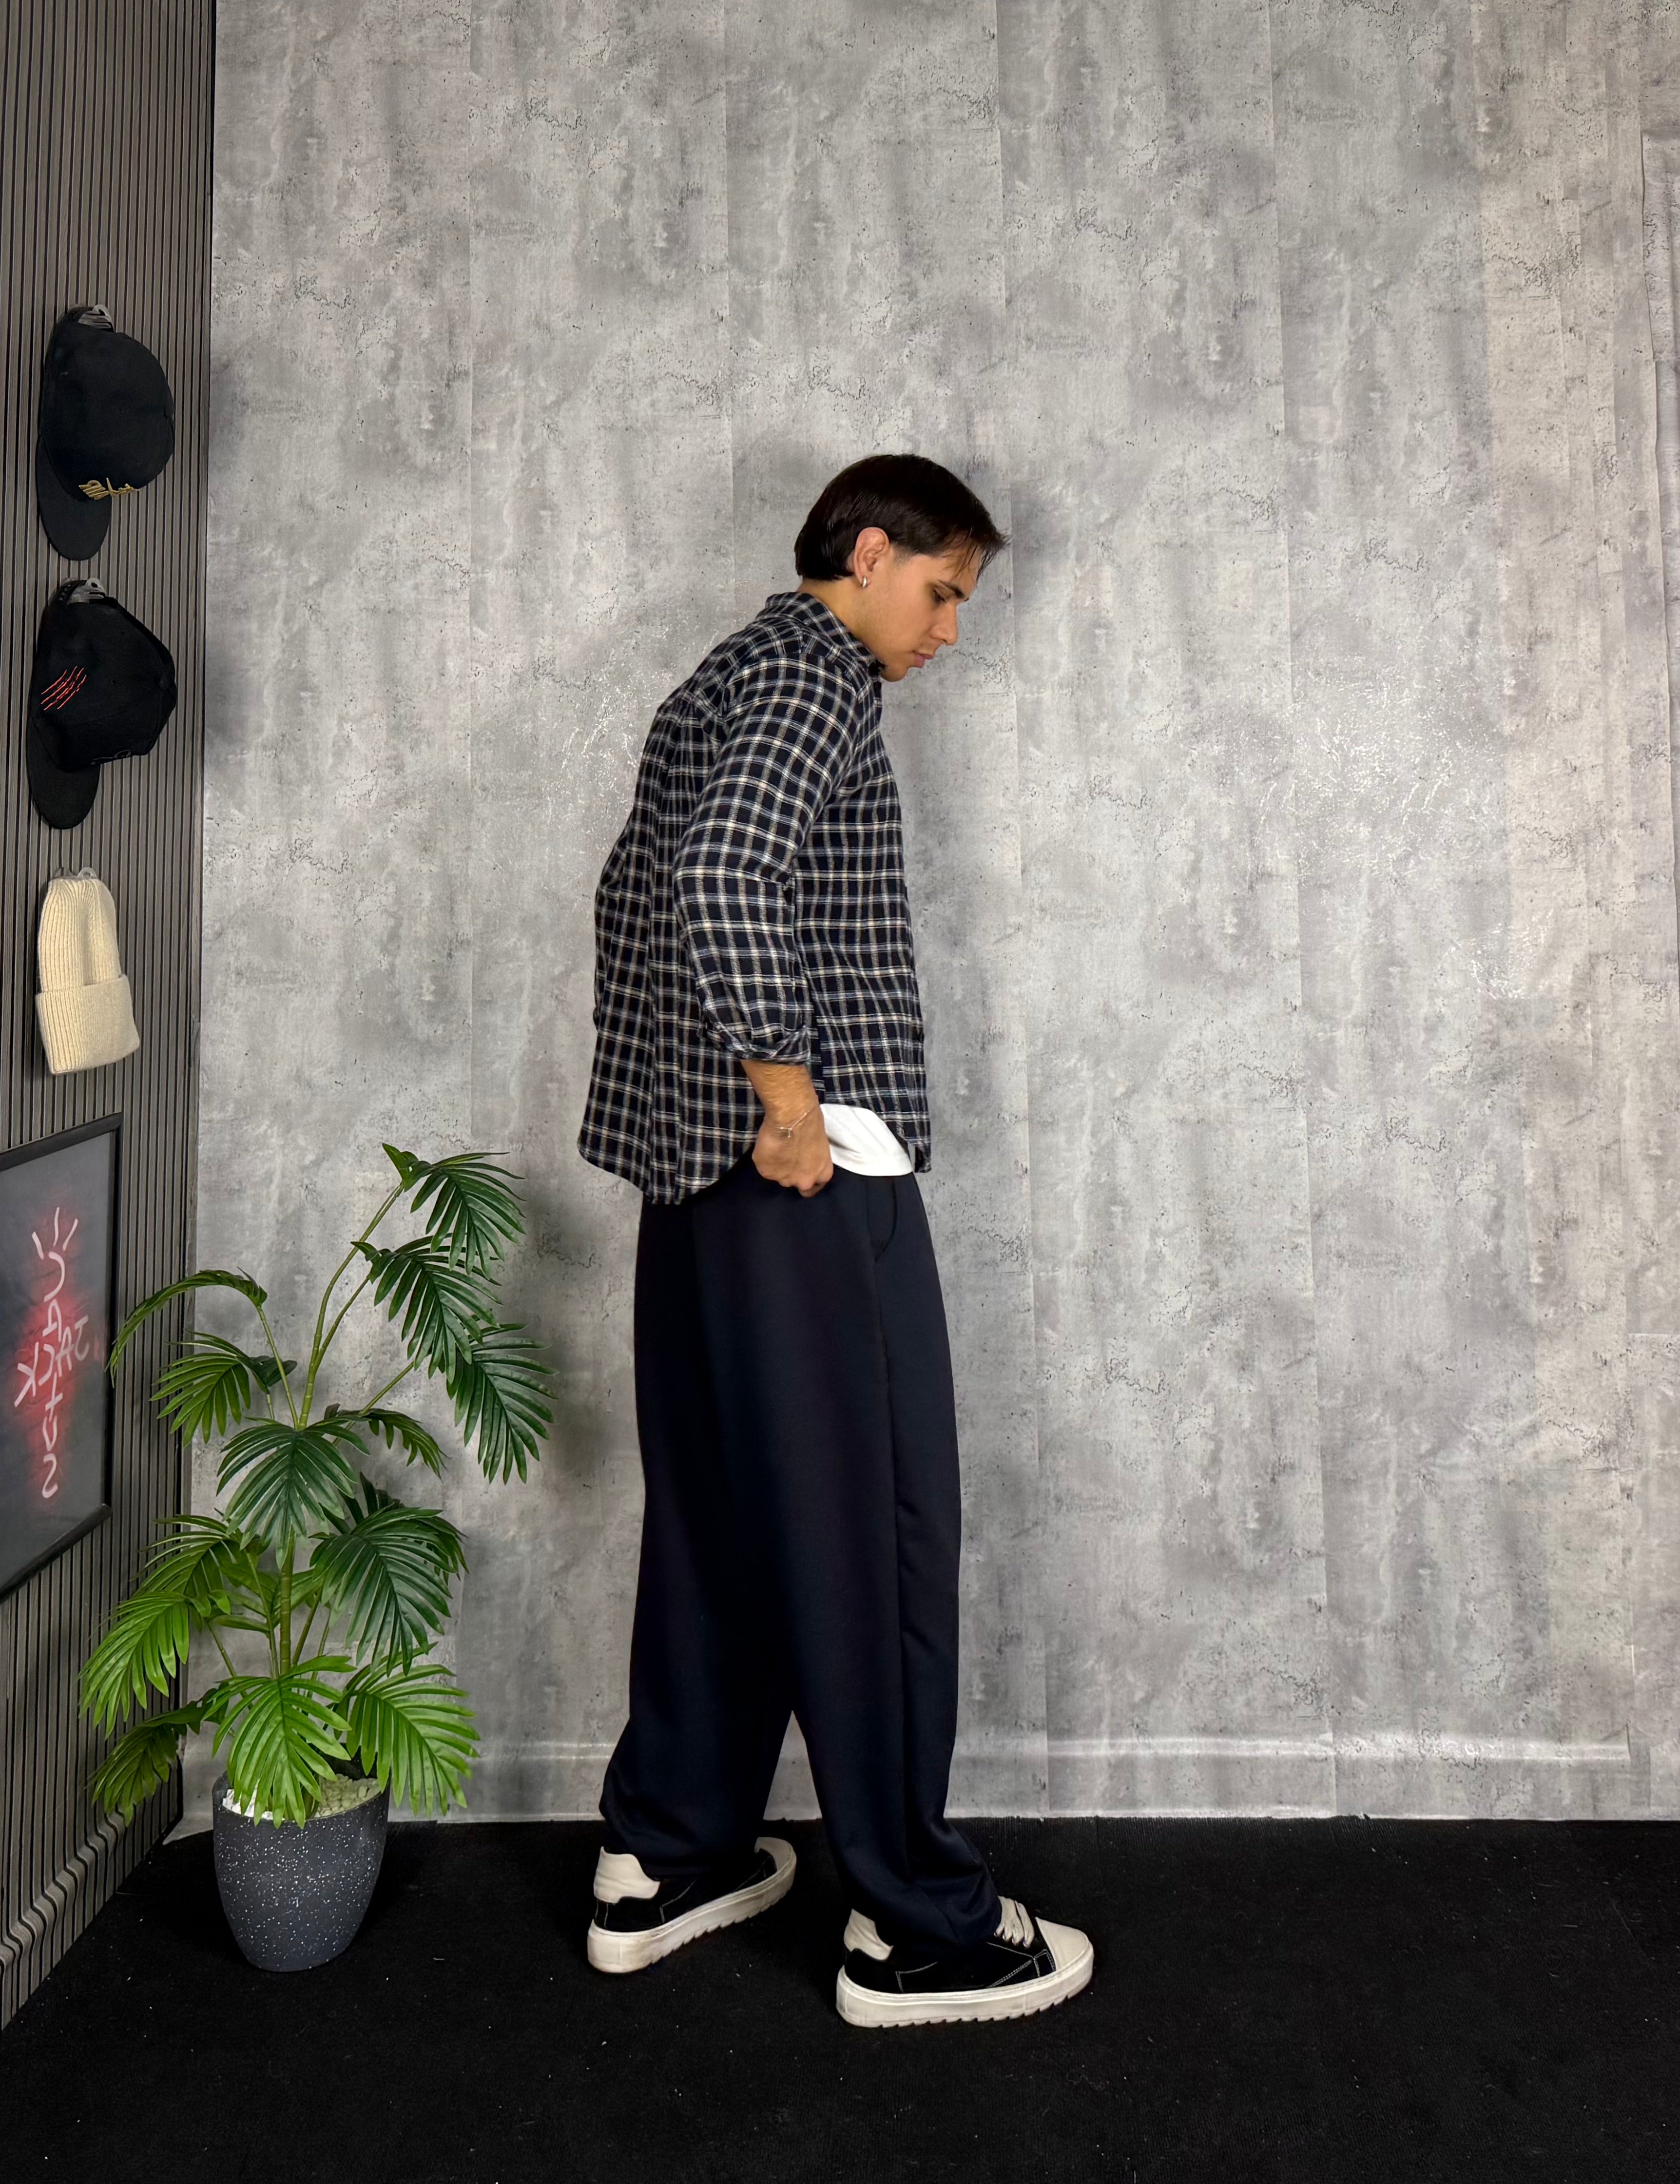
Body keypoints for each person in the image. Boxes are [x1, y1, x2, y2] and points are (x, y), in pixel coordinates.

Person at [576, 453, 1093, 2028]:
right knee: (876, 1532)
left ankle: (667, 1853)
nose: (948, 631)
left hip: (696, 1185)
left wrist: (717, 1109)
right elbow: (724, 870)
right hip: (804, 1177)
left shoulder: (724, 671)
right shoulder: (815, 675)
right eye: (942, 592)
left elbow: (640, 885)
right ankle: (916, 1922)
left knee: (724, 1519)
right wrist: (788, 1099)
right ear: (868, 553)